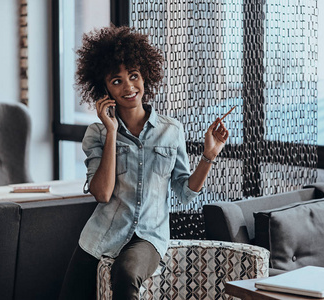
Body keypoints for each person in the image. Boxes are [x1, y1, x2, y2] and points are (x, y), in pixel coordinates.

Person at [59, 26, 229, 300]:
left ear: (145, 76)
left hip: (148, 237)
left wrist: (209, 156)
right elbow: (102, 194)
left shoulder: (171, 130)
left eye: (134, 76)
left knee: (127, 274)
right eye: (116, 81)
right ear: (104, 89)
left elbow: (185, 193)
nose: (128, 87)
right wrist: (112, 132)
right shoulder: (97, 133)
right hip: (99, 236)